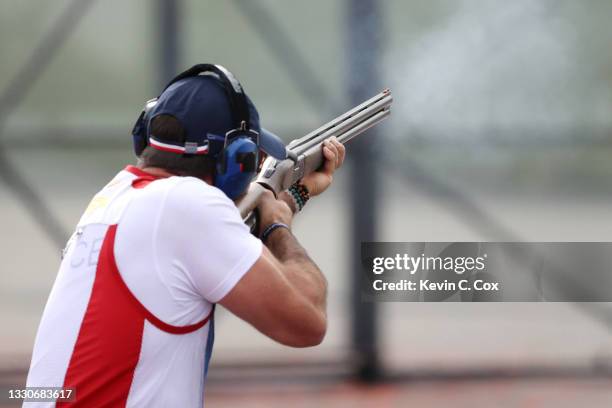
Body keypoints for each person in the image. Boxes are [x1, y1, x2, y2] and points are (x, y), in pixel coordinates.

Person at [24, 64, 345, 407]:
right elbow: (308, 320)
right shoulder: (187, 204)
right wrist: (277, 223)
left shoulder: (113, 197)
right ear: (238, 159)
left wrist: (291, 199)